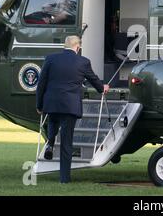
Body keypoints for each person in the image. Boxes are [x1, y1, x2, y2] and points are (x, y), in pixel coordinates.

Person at [36, 36, 109, 183]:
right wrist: (103, 88)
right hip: (70, 105)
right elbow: (94, 80)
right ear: (78, 47)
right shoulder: (83, 62)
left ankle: (50, 142)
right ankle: (64, 178)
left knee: (52, 122)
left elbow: (41, 83)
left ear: (65, 46)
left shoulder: (50, 59)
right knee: (66, 141)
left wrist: (39, 105)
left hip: (52, 103)